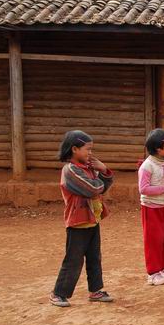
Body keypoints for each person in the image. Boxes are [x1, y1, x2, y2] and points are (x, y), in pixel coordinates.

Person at [49, 131, 115, 307]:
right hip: (77, 222)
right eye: (87, 149)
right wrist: (100, 180)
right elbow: (93, 189)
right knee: (74, 259)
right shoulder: (70, 170)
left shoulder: (88, 168)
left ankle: (96, 291)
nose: (90, 153)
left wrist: (104, 170)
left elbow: (102, 186)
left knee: (94, 257)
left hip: (92, 219)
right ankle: (58, 293)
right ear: (74, 149)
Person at [139, 129, 164, 286]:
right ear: (157, 148)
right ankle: (153, 272)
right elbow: (143, 189)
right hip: (151, 208)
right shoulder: (147, 166)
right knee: (154, 240)